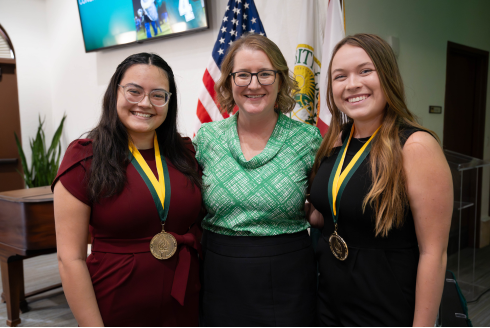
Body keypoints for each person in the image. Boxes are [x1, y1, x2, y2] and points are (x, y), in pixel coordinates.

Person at [308, 33, 453, 326]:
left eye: (365, 70)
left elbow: (433, 253)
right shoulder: (336, 141)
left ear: (387, 76)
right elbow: (339, 216)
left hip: (385, 307)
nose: (352, 84)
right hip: (329, 302)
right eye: (340, 76)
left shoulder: (415, 146)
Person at [52, 53, 202, 326]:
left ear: (169, 102)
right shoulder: (84, 158)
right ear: (115, 93)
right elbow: (70, 259)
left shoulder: (186, 154)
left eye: (158, 95)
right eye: (134, 91)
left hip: (184, 300)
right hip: (116, 302)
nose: (145, 103)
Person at [193, 34, 322, 326]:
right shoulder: (207, 138)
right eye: (243, 75)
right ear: (229, 81)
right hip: (219, 273)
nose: (254, 84)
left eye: (265, 74)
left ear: (280, 79)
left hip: (288, 274)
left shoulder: (307, 139)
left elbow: (324, 206)